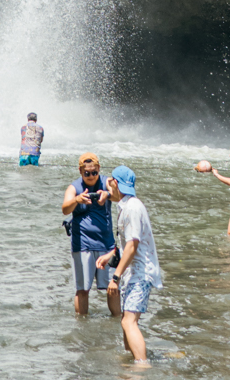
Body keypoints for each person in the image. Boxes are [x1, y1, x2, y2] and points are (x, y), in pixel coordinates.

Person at [98, 166, 162, 363]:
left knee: (128, 322)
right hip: (132, 273)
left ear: (116, 183)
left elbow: (133, 246)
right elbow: (129, 244)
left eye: (111, 183)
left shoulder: (132, 208)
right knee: (127, 325)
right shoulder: (127, 206)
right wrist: (111, 254)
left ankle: (142, 367)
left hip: (140, 273)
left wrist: (115, 278)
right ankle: (131, 364)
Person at [62, 153, 120, 318]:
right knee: (82, 289)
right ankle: (82, 324)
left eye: (94, 172)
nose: (91, 176)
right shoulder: (74, 187)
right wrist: (77, 200)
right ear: (80, 171)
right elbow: (65, 209)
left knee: (113, 287)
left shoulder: (106, 182)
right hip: (83, 245)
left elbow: (118, 197)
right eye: (87, 173)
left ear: (99, 169)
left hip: (106, 245)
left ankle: (117, 321)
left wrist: (107, 194)